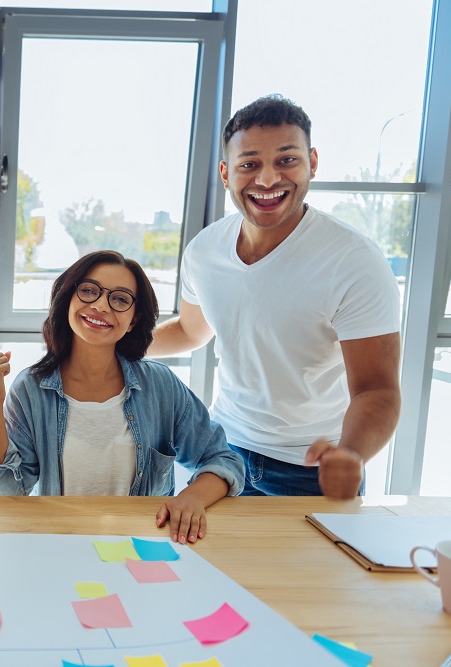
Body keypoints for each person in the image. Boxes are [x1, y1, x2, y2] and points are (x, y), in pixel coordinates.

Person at [149, 94, 402, 499]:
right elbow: (192, 331)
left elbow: (377, 390)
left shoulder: (354, 261)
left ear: (312, 163)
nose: (267, 180)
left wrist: (351, 453)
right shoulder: (204, 251)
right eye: (249, 164)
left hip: (313, 470)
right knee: (194, 563)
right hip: (219, 454)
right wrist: (119, 344)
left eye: (286, 160)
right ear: (226, 173)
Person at [0, 251, 244, 544]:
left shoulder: (161, 386)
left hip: (143, 547)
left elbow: (223, 459)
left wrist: (192, 498)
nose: (101, 305)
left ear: (133, 320)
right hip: (61, 544)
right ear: (68, 299)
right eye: (89, 291)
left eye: (119, 299)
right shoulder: (30, 389)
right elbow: (8, 492)